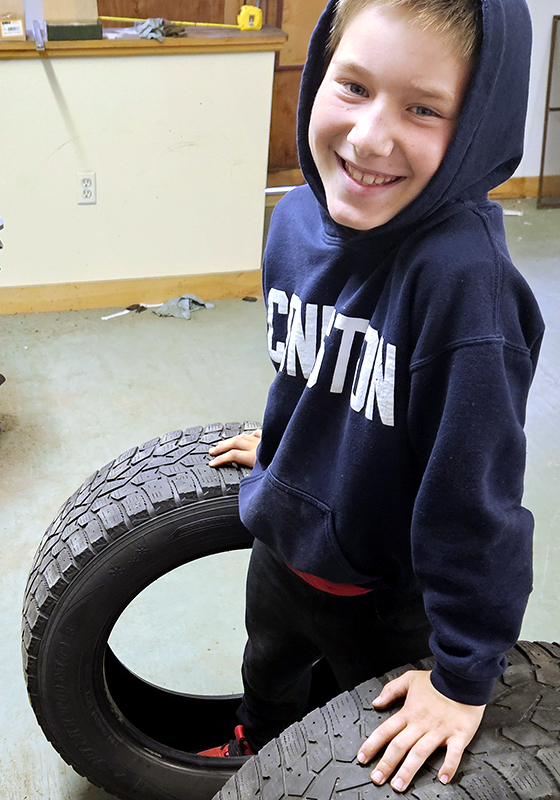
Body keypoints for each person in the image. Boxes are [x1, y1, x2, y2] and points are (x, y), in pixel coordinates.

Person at [200, 0, 544, 793]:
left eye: (424, 108)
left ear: (480, 125)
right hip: (284, 550)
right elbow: (313, 365)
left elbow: (477, 504)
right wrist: (293, 449)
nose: (368, 138)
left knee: (356, 753)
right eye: (352, 87)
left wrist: (461, 680)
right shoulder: (292, 221)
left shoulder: (466, 293)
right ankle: (255, 753)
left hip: (389, 599)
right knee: (268, 676)